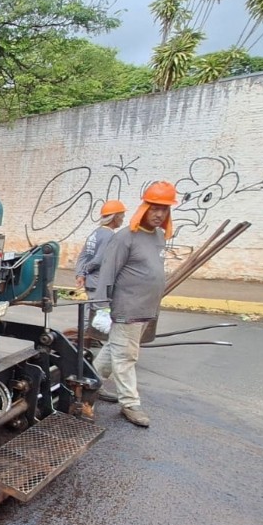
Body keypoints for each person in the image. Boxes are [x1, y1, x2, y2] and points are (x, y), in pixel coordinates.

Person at [91, 181, 176, 428]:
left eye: (165, 209)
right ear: (144, 208)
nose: (159, 214)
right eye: (155, 208)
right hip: (127, 308)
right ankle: (130, 403)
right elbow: (108, 271)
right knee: (126, 356)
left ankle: (89, 382)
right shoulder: (125, 238)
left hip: (145, 309)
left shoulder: (158, 236)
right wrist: (102, 306)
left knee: (114, 349)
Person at [74, 200, 126, 293]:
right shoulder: (110, 236)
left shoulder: (95, 232)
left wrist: (80, 274)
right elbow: (98, 260)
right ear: (115, 217)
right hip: (98, 283)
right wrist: (85, 271)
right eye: (122, 216)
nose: (123, 219)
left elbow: (83, 256)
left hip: (90, 282)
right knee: (98, 307)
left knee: (90, 306)